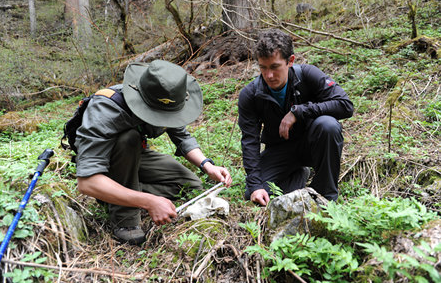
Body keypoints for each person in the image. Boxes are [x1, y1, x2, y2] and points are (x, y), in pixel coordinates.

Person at [75, 60, 232, 244]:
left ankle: (117, 192)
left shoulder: (167, 98)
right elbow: (86, 182)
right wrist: (148, 201)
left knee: (190, 186)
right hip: (107, 160)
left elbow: (182, 136)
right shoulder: (106, 109)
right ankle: (125, 218)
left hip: (136, 156)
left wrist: (207, 165)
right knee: (129, 138)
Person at [238, 29, 354, 206]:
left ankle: (326, 198)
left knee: (328, 125)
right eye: (263, 67)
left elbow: (345, 105)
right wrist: (255, 186)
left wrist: (299, 111)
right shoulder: (250, 94)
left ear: (290, 61)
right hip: (279, 151)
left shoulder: (307, 75)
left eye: (275, 67)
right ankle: (299, 175)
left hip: (313, 145)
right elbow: (250, 141)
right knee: (254, 193)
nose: (269, 75)